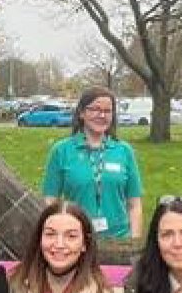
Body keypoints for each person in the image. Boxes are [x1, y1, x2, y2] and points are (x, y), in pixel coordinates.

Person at [42, 87, 144, 240]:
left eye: (107, 111)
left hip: (119, 238)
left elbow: (134, 204)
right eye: (95, 109)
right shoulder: (61, 151)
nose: (102, 115)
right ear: (82, 113)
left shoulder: (124, 151)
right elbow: (50, 201)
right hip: (76, 240)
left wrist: (134, 241)